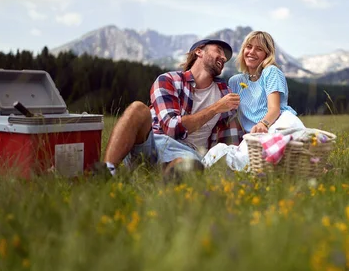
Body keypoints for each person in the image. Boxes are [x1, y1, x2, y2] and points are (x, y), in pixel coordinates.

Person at [99, 38, 243, 178]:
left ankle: (167, 184)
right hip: (154, 143)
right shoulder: (169, 80)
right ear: (199, 51)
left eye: (225, 56)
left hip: (189, 154)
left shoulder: (225, 94)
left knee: (188, 164)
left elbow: (229, 137)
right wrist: (216, 108)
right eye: (219, 50)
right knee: (137, 108)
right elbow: (172, 128)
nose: (224, 57)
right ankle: (106, 171)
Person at [228, 31, 304, 133]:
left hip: (279, 124)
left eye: (259, 49)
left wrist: (263, 124)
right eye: (249, 47)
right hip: (255, 133)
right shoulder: (235, 81)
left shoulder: (271, 71)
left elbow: (274, 108)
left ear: (267, 54)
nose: (251, 52)